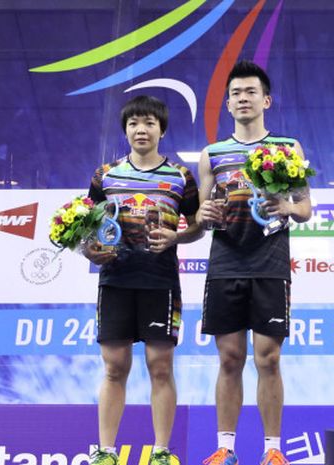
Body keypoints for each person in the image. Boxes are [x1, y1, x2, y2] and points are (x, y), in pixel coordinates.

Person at [197, 60, 312, 465]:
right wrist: (202, 216)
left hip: (270, 263)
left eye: (250, 92)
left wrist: (287, 205)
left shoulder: (288, 148)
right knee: (230, 358)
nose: (243, 99)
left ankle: (273, 450)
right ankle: (226, 448)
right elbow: (199, 216)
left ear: (266, 100)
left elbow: (305, 209)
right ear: (227, 105)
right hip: (226, 263)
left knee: (269, 358)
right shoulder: (212, 154)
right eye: (235, 94)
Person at [85, 95, 202, 465]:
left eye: (149, 122)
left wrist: (178, 237)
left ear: (161, 130)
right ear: (126, 129)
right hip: (115, 281)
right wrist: (89, 250)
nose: (141, 129)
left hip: (160, 281)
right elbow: (86, 229)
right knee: (115, 366)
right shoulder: (105, 176)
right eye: (134, 122)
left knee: (160, 367)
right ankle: (105, 452)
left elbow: (199, 224)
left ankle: (162, 453)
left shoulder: (180, 176)